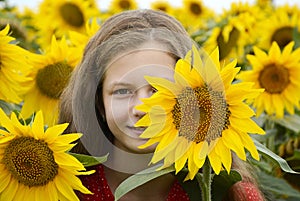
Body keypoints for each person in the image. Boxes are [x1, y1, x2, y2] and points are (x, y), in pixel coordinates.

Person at [59, 9, 266, 201]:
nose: (141, 109)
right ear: (99, 104)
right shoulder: (62, 187)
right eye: (122, 91)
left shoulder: (229, 195)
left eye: (158, 90)